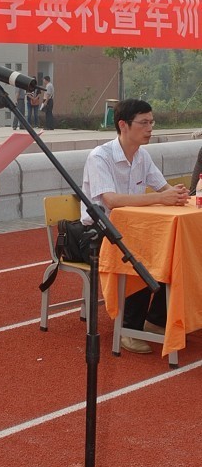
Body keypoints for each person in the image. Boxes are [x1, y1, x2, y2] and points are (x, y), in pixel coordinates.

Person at [80, 98, 190, 354]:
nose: (150, 128)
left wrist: (176, 193)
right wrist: (161, 198)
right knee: (141, 255)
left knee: (175, 251)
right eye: (143, 123)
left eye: (152, 122)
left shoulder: (142, 156)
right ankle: (128, 328)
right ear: (123, 125)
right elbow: (111, 200)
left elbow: (163, 188)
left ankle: (155, 320)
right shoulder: (100, 157)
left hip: (130, 232)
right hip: (95, 236)